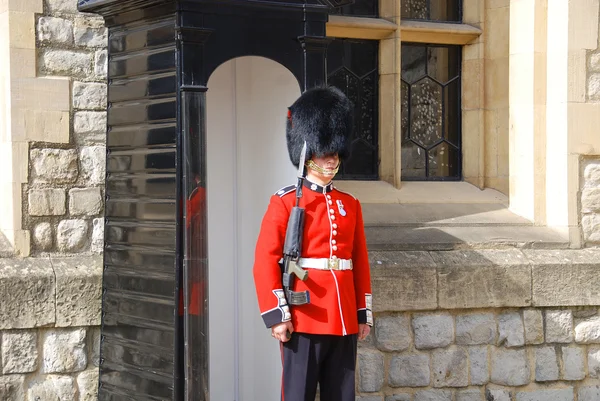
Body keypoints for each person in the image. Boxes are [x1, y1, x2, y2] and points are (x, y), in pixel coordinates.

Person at [252, 86, 373, 401]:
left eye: (335, 153)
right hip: (305, 314)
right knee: (298, 394)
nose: (332, 160)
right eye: (325, 152)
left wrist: (362, 313)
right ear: (308, 153)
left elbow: (358, 261)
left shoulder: (350, 204)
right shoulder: (285, 203)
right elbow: (265, 261)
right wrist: (278, 315)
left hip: (344, 314)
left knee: (342, 395)